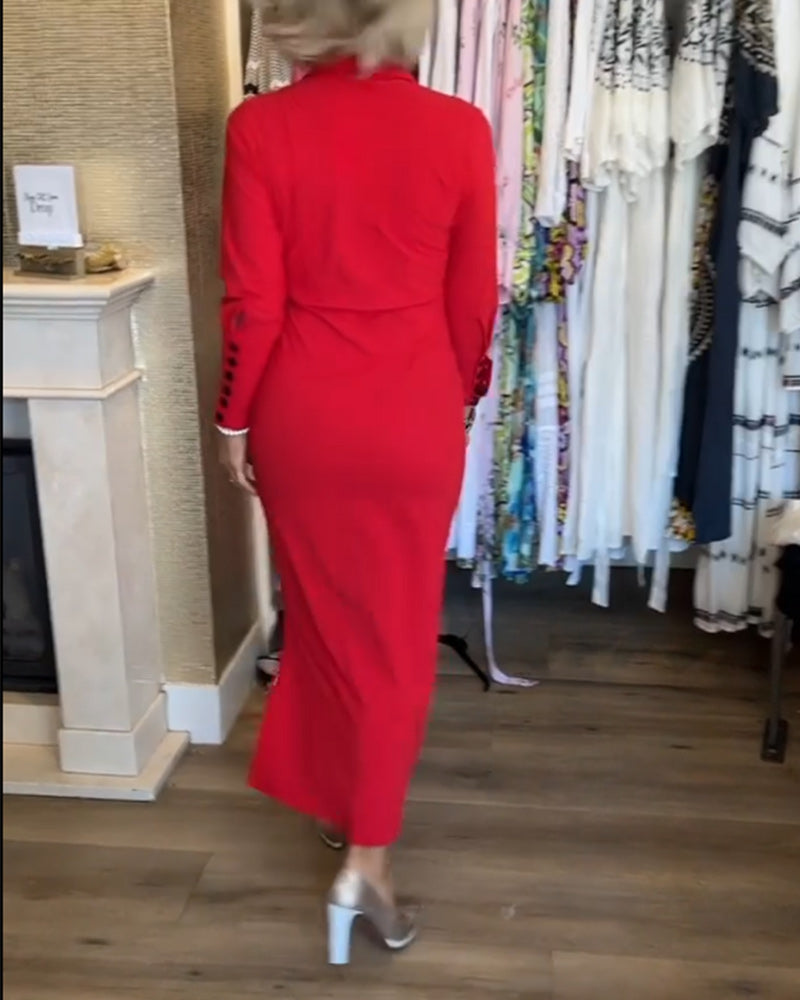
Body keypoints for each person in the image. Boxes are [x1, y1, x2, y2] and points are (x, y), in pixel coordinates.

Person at [215, 0, 497, 965]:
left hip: (304, 417)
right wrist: (456, 400)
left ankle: (348, 811)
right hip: (412, 412)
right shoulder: (460, 130)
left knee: (326, 621)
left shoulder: (260, 128)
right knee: (395, 635)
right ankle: (367, 861)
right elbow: (473, 302)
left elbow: (253, 301)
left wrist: (234, 418)